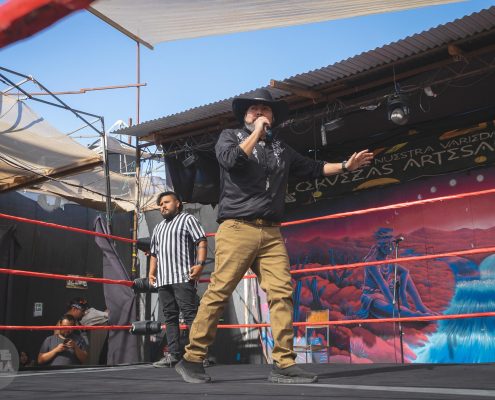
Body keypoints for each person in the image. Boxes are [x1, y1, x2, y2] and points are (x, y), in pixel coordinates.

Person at [175, 88, 373, 384]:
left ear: (273, 117)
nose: (259, 113)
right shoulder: (230, 137)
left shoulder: (282, 149)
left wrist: (346, 166)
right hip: (237, 228)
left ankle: (284, 363)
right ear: (245, 115)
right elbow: (231, 161)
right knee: (219, 292)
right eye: (253, 109)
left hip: (270, 232)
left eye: (265, 109)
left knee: (282, 294)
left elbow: (314, 168)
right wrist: (256, 132)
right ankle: (192, 358)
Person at [149, 191, 207, 368]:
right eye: (160, 204)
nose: (163, 206)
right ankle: (173, 355)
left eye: (166, 202)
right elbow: (154, 253)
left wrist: (200, 264)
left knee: (190, 314)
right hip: (163, 278)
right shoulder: (158, 228)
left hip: (182, 276)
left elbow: (201, 240)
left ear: (177, 203)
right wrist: (151, 272)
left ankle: (200, 355)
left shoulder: (188, 219)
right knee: (170, 316)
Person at [356, 228, 437, 319]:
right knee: (394, 311)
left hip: (386, 294)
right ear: (383, 247)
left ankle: (420, 307)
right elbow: (382, 285)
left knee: (405, 278)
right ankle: (417, 315)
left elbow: (404, 272)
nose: (393, 248)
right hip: (373, 298)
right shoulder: (372, 262)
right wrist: (393, 304)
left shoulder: (389, 261)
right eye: (391, 245)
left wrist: (402, 293)